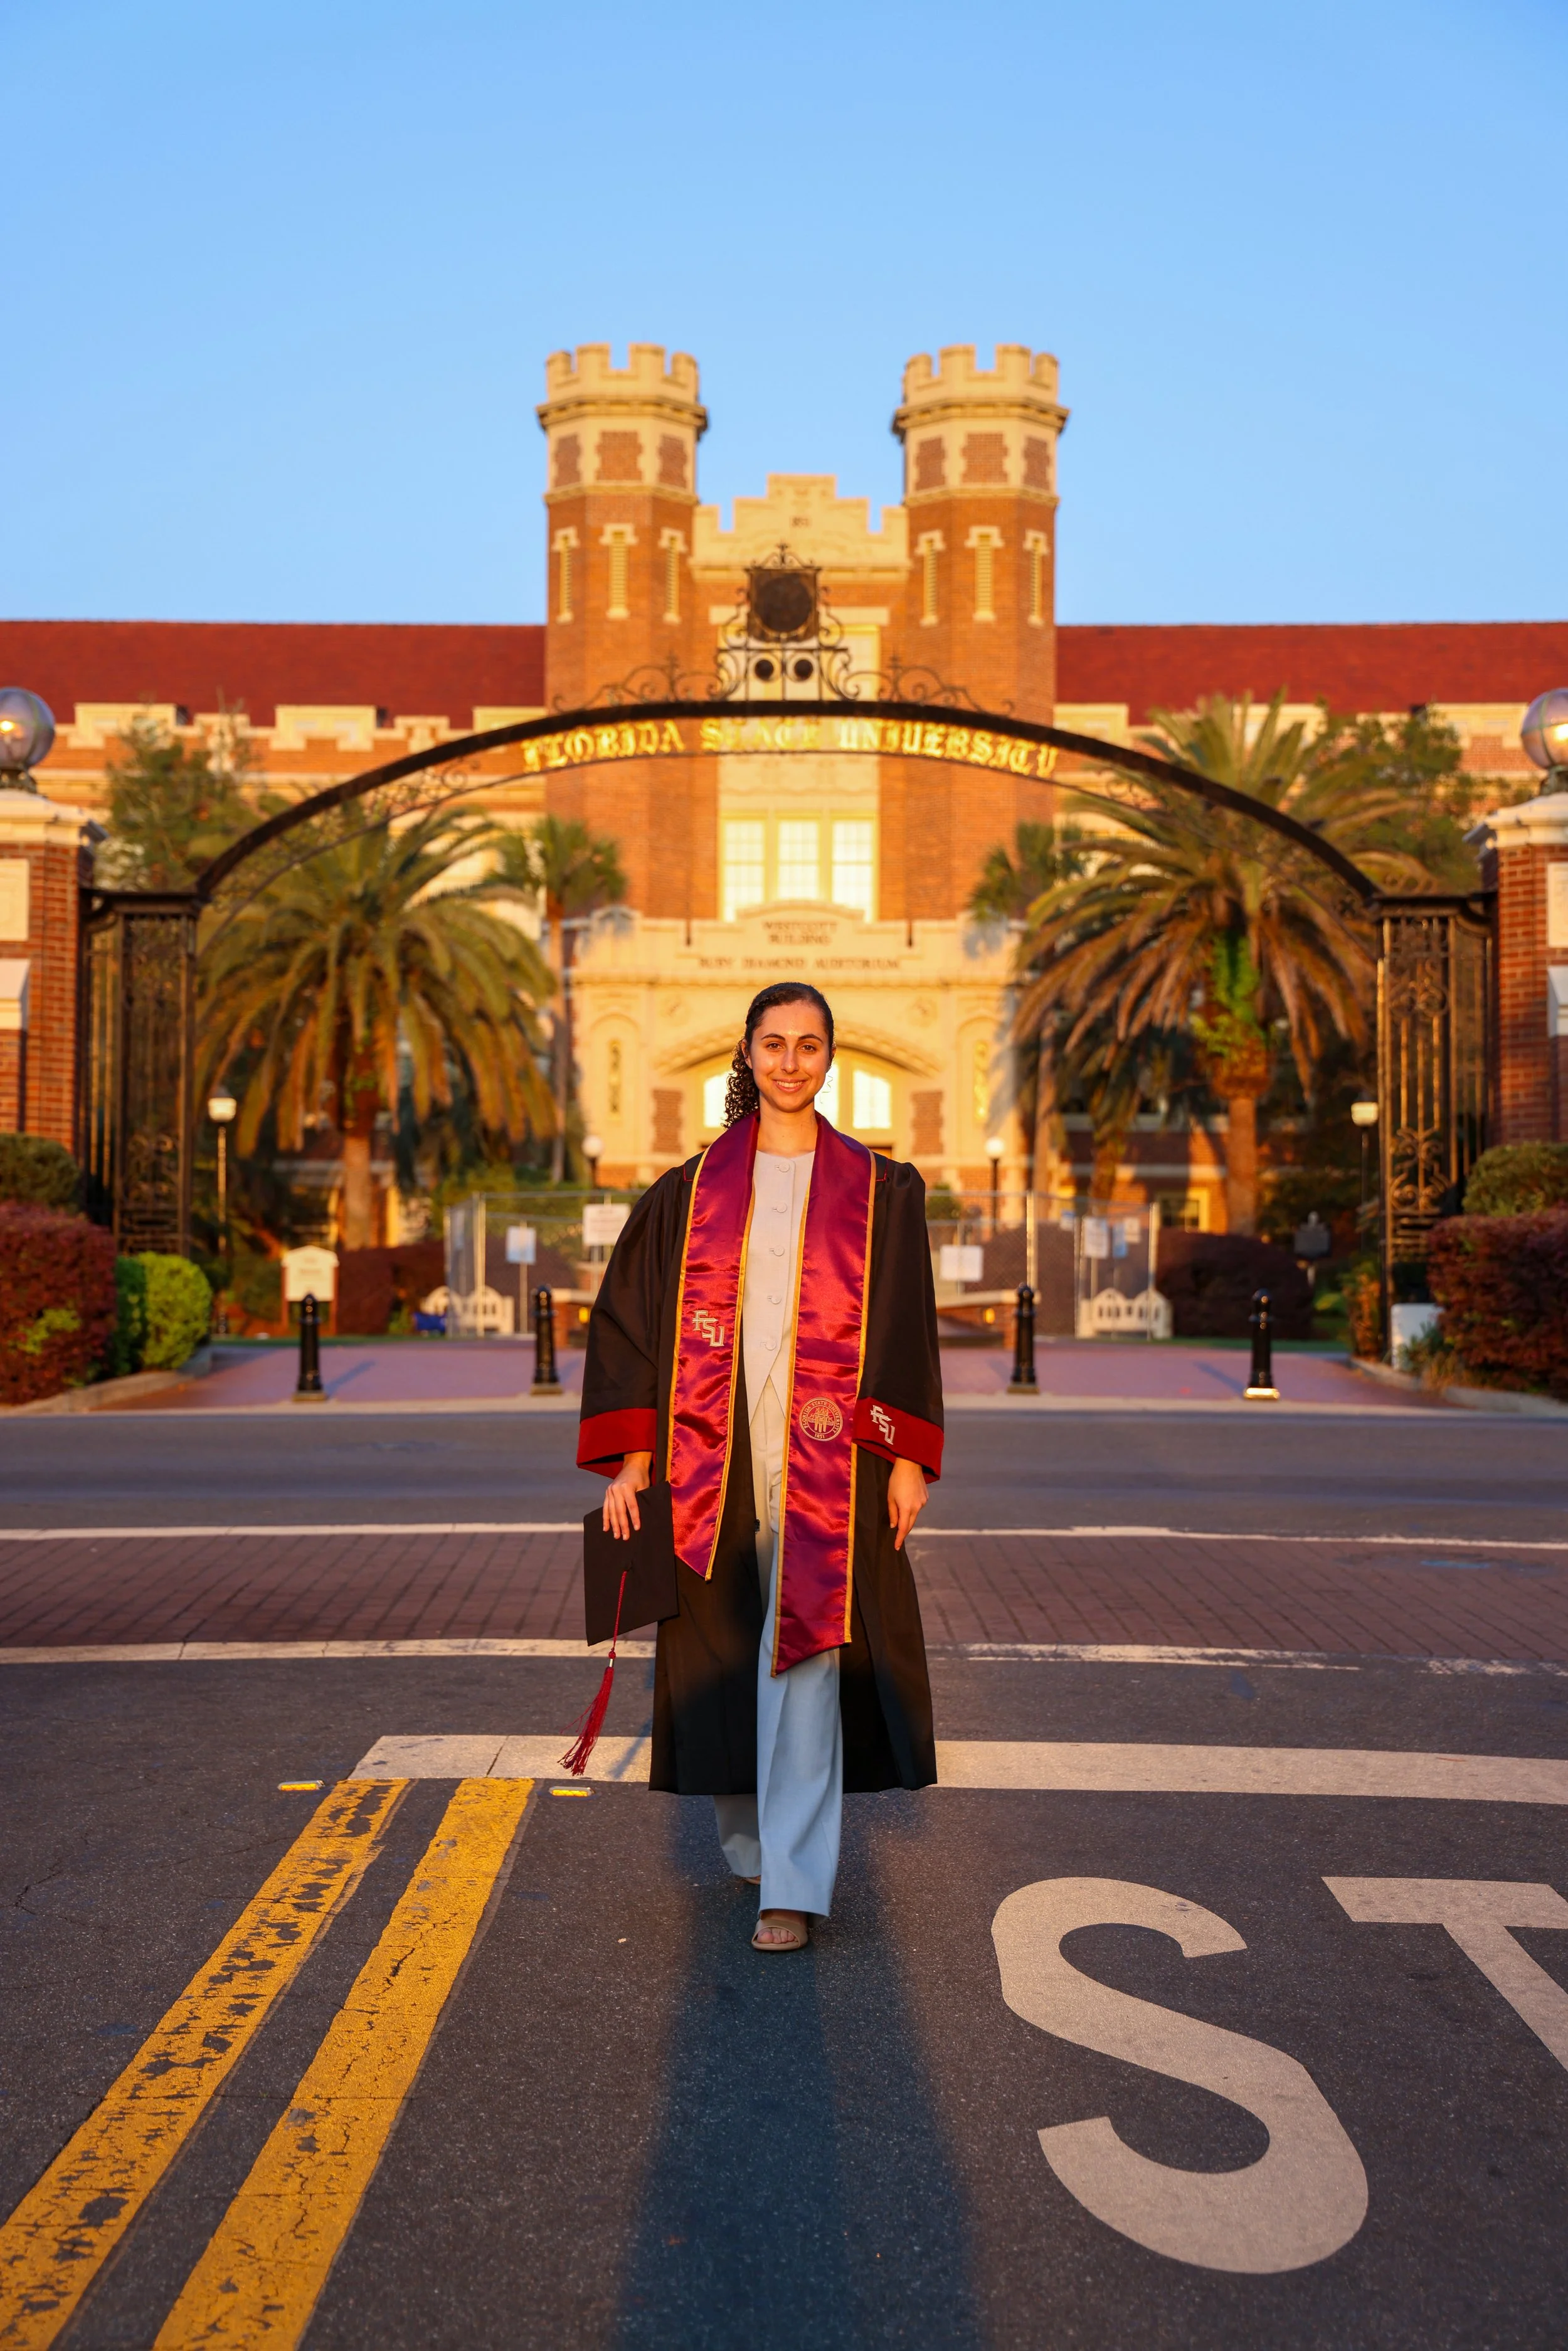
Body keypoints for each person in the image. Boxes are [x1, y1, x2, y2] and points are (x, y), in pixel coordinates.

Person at [577, 982, 943, 1953]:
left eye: (809, 1045)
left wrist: (907, 1461)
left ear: (833, 1059)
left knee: (812, 1657)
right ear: (746, 1054)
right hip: (716, 1456)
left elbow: (907, 1335)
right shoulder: (689, 1192)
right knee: (728, 1656)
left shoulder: (881, 1191)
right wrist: (633, 1461)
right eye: (773, 1045)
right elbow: (634, 1328)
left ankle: (794, 1882)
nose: (791, 1062)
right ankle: (749, 1846)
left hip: (833, 1459)